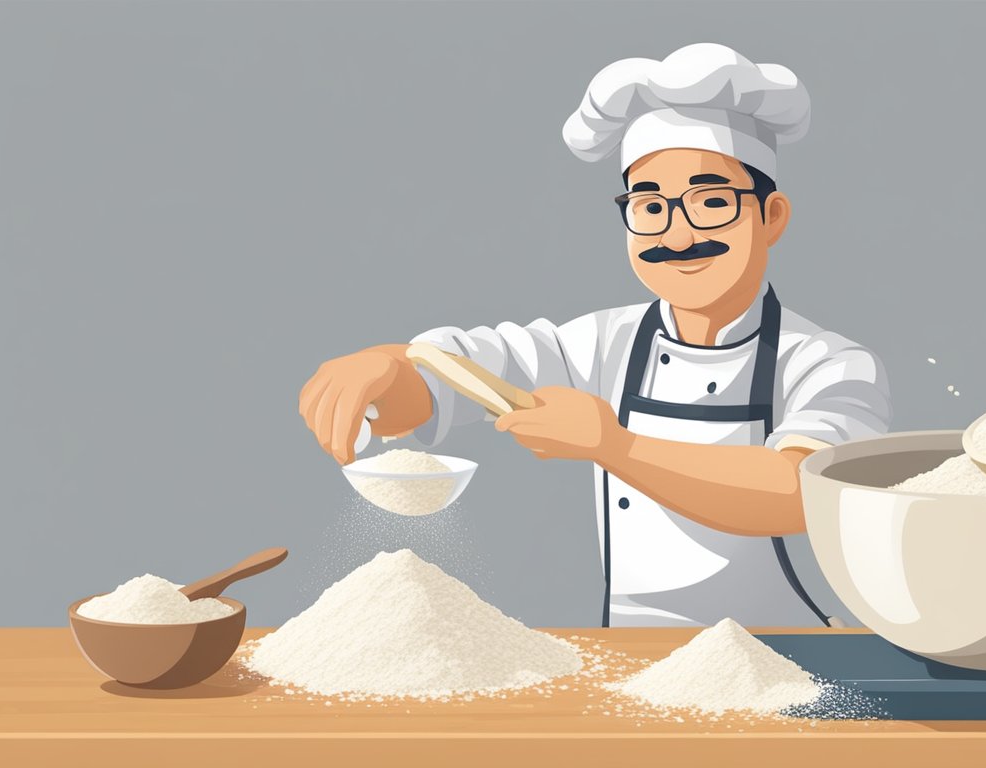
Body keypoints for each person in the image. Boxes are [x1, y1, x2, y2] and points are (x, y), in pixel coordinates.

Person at [299, 43, 891, 627]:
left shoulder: (830, 364)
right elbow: (465, 372)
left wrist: (615, 446)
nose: (678, 236)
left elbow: (799, 493)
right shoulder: (605, 343)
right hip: (630, 659)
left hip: (791, 657)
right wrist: (390, 365)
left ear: (772, 217)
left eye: (711, 202)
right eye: (650, 206)